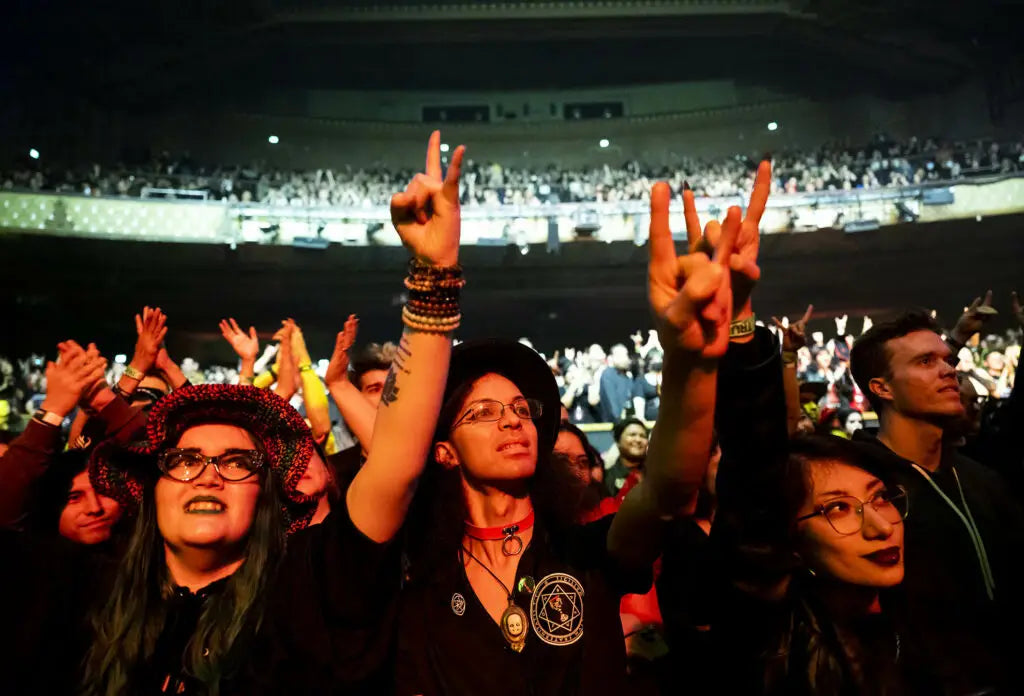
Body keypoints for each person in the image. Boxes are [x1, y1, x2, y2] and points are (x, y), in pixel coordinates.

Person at [0, 131, 469, 695]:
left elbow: (394, 465)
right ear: (150, 489)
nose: (208, 475)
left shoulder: (307, 590)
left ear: (267, 495)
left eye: (237, 462)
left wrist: (434, 273)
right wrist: (56, 409)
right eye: (185, 459)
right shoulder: (82, 593)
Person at [395, 162, 742, 696]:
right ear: (444, 451)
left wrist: (687, 365)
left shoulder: (586, 550)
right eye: (483, 412)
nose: (512, 418)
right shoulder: (416, 568)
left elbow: (668, 489)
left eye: (520, 408)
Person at [849, 309, 1024, 693]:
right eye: (926, 362)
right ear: (882, 388)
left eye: (948, 360)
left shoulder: (981, 478)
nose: (949, 371)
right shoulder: (861, 486)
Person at [604, 417, 649, 495]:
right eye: (632, 435)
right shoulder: (607, 478)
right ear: (618, 441)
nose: (638, 440)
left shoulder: (655, 474)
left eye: (643, 436)